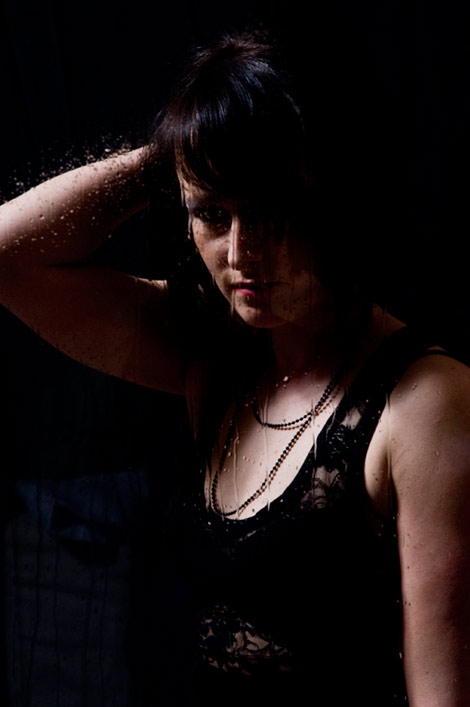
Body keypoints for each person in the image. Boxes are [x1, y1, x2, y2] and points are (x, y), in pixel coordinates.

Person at [1, 27, 470, 707]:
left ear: (338, 200)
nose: (242, 252)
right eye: (214, 214)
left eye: (273, 213)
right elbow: (9, 259)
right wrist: (175, 151)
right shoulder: (217, 357)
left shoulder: (428, 403)